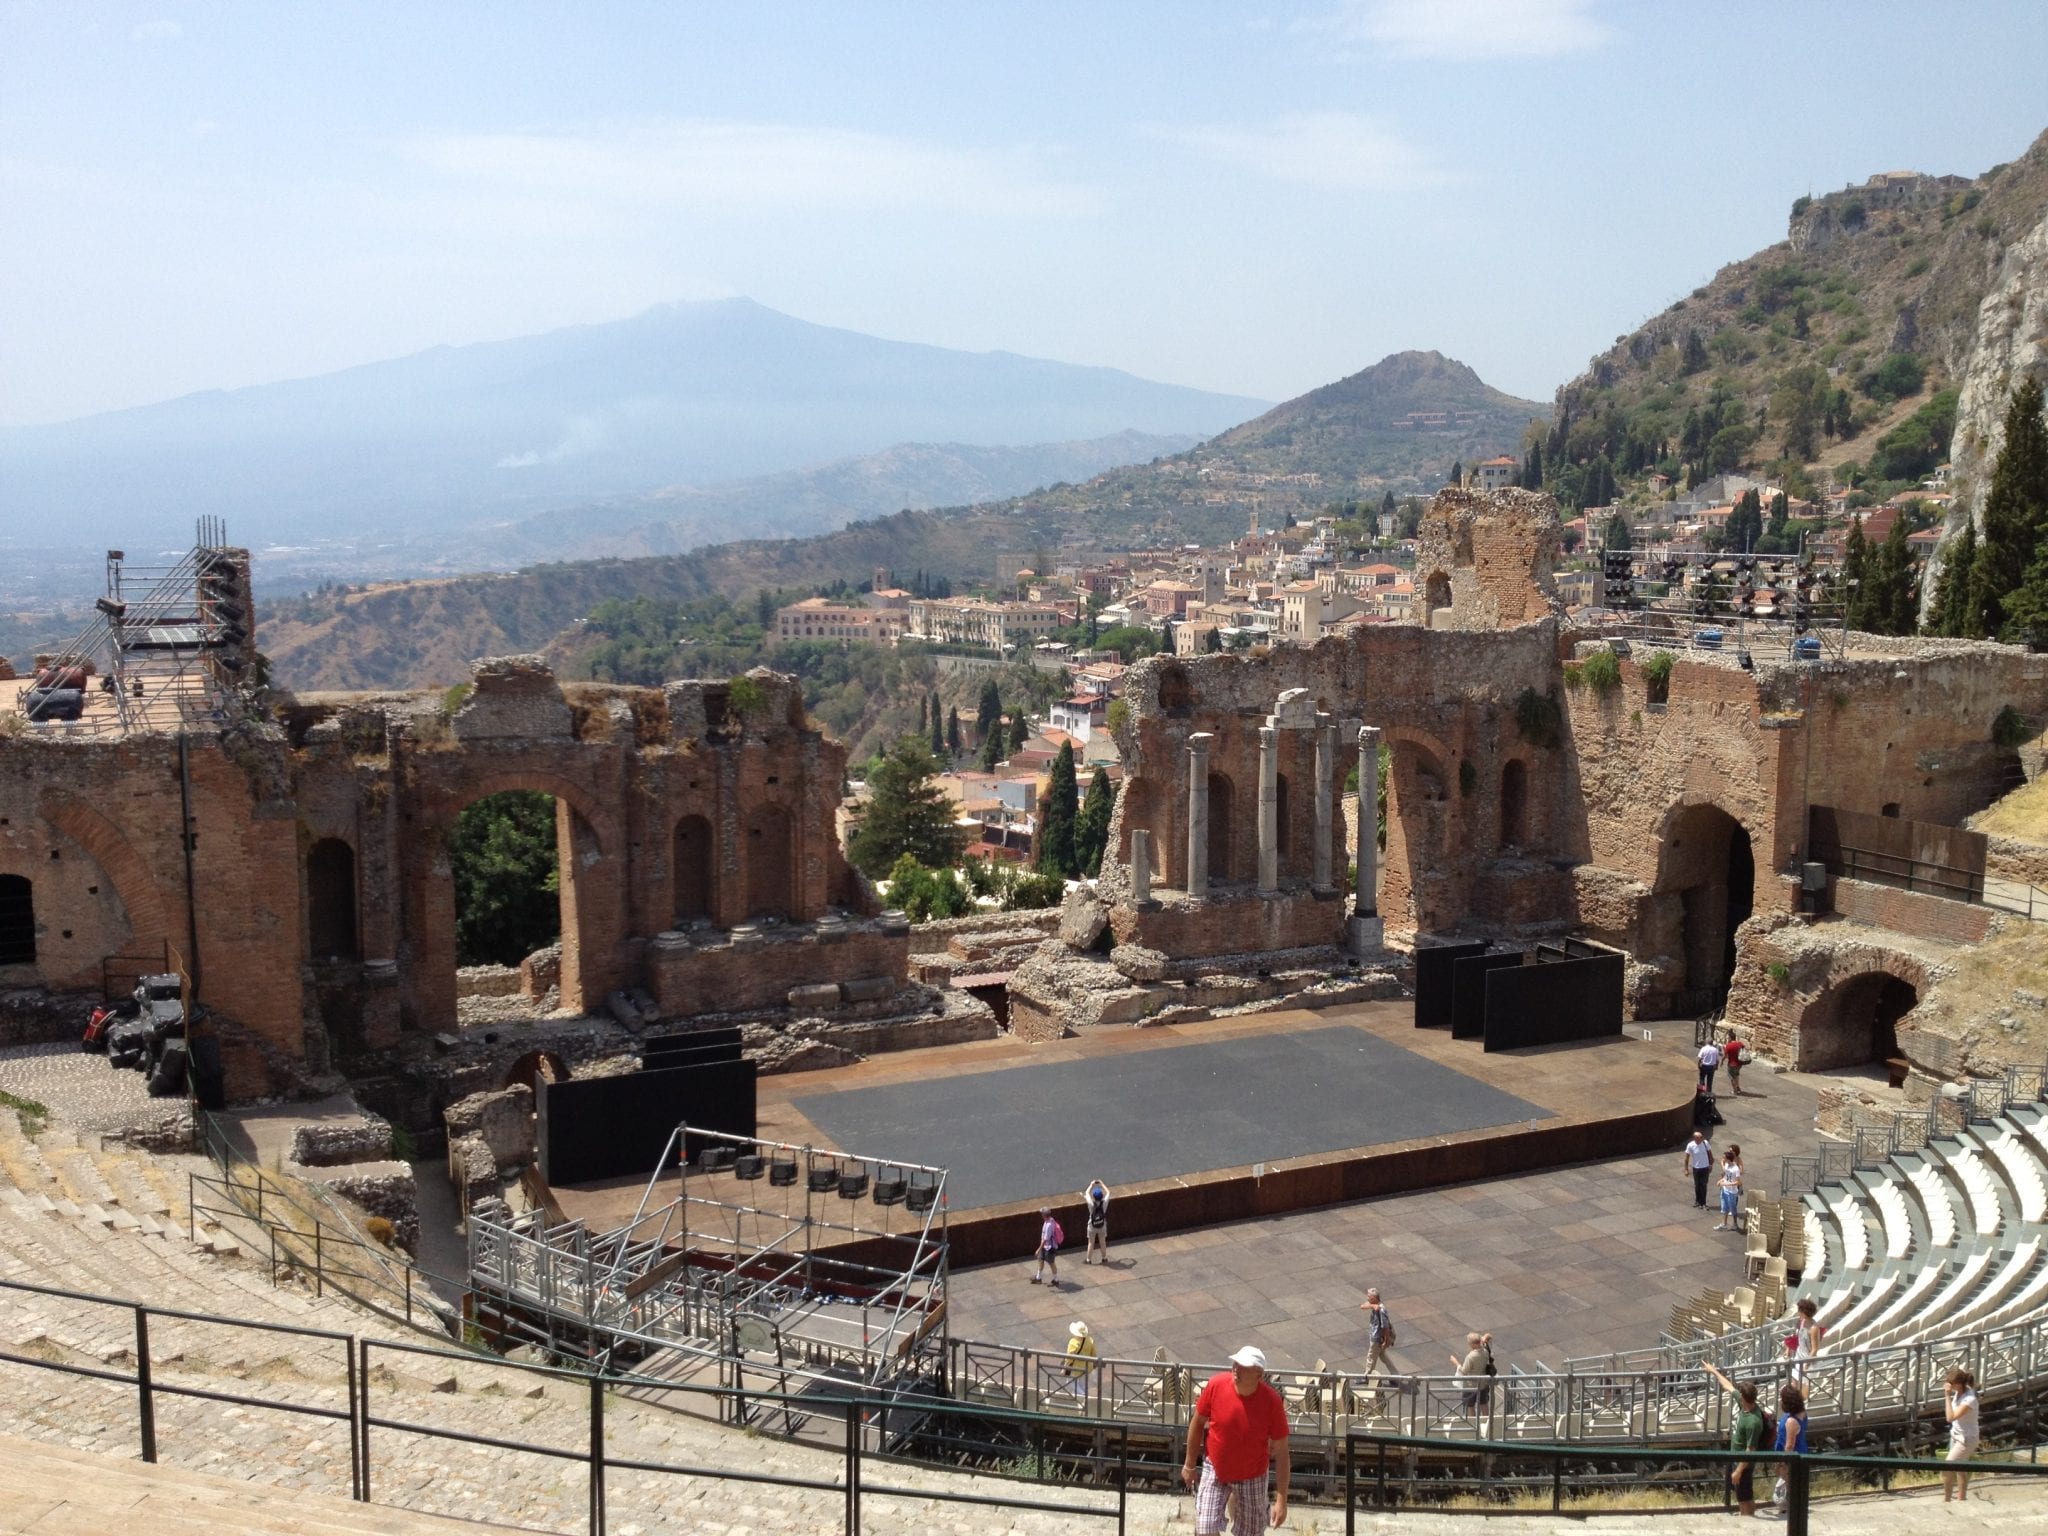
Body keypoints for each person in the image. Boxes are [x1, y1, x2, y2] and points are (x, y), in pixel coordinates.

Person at [1181, 1345, 1290, 1536]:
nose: (1236, 1369)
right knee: (1205, 1528)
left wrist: (1282, 1500)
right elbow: (1197, 1423)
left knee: (1251, 1533)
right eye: (1235, 1363)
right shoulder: (1216, 1385)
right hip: (1216, 1468)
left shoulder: (1271, 1402)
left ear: (1258, 1373)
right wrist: (1189, 1464)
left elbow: (1282, 1453)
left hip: (1252, 1476)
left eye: (1243, 1366)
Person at [1701, 1363, 1767, 1516]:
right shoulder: (1744, 1405)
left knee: (1744, 1498)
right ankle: (1748, 1516)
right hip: (1736, 1458)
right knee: (1743, 1495)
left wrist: (1738, 1470)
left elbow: (1750, 1450)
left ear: (1744, 1398)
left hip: (1743, 1464)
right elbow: (1729, 1387)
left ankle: (1747, 1520)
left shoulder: (1753, 1421)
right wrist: (1714, 1371)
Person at [1769, 1381, 1809, 1516]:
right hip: (1801, 1452)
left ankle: (1793, 1511)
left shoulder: (1792, 1421)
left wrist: (1782, 1463)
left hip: (1791, 1459)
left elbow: (1789, 1445)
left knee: (1789, 1484)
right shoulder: (1802, 1413)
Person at [1943, 1367, 1978, 1501]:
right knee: (1960, 1467)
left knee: (1947, 1466)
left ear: (1958, 1384)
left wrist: (1947, 1396)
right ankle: (1961, 1498)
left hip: (1966, 1438)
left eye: (1951, 1383)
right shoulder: (1961, 1392)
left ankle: (1947, 1500)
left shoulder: (1968, 1400)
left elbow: (1950, 1417)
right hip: (1957, 1435)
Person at [1358, 1287, 1398, 1380]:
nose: (1367, 1298)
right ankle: (1396, 1376)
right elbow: (1362, 1306)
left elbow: (1385, 1327)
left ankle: (1367, 1377)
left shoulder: (1381, 1310)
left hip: (1377, 1338)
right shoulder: (1374, 1305)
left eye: (1369, 1297)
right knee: (1383, 1356)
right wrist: (1372, 1306)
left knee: (1371, 1357)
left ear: (1374, 1298)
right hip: (1375, 1335)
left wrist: (1386, 1341)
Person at [1450, 1331, 1495, 1413]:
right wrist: (1484, 1339)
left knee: (1470, 1406)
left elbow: (1464, 1371)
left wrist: (1456, 1362)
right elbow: (1487, 1337)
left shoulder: (1471, 1356)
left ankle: (1474, 1424)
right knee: (1484, 1404)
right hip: (1483, 1383)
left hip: (1471, 1385)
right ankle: (1487, 1422)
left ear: (1473, 1344)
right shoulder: (1485, 1352)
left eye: (1469, 1343)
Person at [1789, 1297, 1824, 1381]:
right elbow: (1796, 1337)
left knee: (1804, 1388)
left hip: (1807, 1361)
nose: (1798, 1313)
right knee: (1794, 1384)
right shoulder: (1802, 1322)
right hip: (1798, 1357)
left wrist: (1806, 1364)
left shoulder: (1814, 1328)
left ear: (1804, 1313)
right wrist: (1788, 1349)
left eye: (1799, 1311)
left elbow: (1814, 1349)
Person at [1064, 1319, 1098, 1399]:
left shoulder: (1073, 1343)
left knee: (1070, 1382)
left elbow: (1070, 1358)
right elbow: (1094, 1354)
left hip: (1076, 1368)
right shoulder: (1090, 1340)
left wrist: (1065, 1367)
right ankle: (1084, 1400)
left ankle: (1083, 1396)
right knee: (1083, 1384)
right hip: (1087, 1366)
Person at [1081, 1177, 1111, 1264]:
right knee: (1102, 1241)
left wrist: (1091, 1184)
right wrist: (1102, 1184)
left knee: (1091, 1242)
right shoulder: (1104, 1203)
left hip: (1092, 1225)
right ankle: (1104, 1258)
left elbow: (1086, 1192)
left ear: (1093, 1196)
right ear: (1102, 1195)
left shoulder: (1091, 1203)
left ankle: (1088, 1260)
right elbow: (1108, 1192)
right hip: (1102, 1225)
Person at [1683, 1128, 1715, 1209]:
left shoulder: (1705, 1143)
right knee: (1697, 1185)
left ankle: (1703, 1202)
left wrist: (1710, 1165)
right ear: (1695, 1138)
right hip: (1696, 1168)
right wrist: (1686, 1169)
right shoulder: (1690, 1145)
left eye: (1701, 1137)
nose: (1701, 1139)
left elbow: (1710, 1155)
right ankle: (1697, 1201)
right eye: (1699, 1138)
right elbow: (1686, 1158)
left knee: (1704, 1185)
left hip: (1705, 1167)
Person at [1032, 1205, 1061, 1287]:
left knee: (1051, 1263)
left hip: (1049, 1248)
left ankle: (1056, 1279)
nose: (1041, 1214)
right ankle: (1038, 1278)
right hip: (1045, 1247)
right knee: (1040, 1260)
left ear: (1044, 1215)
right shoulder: (1051, 1220)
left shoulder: (1049, 1225)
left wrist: (1038, 1249)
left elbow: (1045, 1240)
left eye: (1042, 1213)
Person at [1716, 1147, 1744, 1230]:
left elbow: (1738, 1182)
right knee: (1724, 1207)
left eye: (1724, 1158)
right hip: (1725, 1190)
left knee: (1733, 1208)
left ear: (1728, 1159)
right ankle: (1724, 1224)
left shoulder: (1736, 1169)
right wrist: (1721, 1180)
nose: (1723, 1159)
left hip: (1732, 1192)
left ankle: (1735, 1224)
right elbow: (1726, 1176)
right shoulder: (1727, 1165)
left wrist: (1727, 1184)